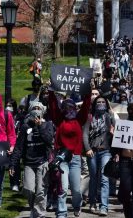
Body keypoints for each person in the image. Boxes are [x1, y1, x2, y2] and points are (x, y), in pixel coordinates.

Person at [48, 90, 91, 218]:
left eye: (71, 107)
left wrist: (88, 90)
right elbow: (53, 106)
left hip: (75, 158)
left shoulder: (79, 119)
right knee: (63, 188)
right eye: (65, 107)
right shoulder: (59, 120)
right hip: (62, 158)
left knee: (76, 190)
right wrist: (51, 92)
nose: (68, 109)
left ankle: (77, 205)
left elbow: (86, 106)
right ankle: (61, 213)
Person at [10, 104, 54, 218]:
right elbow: (19, 147)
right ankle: (34, 209)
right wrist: (13, 164)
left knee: (40, 190)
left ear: (43, 111)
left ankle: (39, 214)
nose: (36, 111)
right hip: (28, 163)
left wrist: (40, 126)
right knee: (28, 189)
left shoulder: (47, 124)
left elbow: (49, 141)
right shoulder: (25, 127)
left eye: (39, 109)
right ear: (30, 111)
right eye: (34, 108)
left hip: (42, 162)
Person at [82, 96, 115, 216]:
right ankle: (92, 202)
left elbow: (116, 134)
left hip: (106, 151)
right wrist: (87, 148)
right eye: (98, 102)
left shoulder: (110, 117)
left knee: (104, 178)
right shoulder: (89, 117)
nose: (100, 103)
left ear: (106, 104)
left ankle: (104, 206)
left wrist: (113, 133)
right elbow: (84, 134)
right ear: (94, 104)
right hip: (92, 151)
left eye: (103, 102)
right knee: (93, 178)